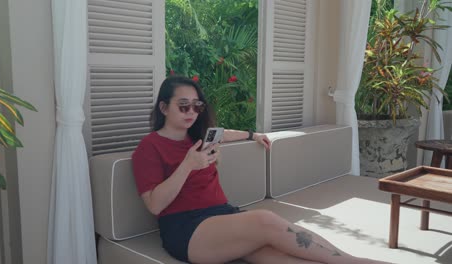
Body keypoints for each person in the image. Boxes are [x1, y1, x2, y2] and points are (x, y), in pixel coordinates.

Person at [132, 76, 390, 264]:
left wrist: (253, 134)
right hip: (186, 229)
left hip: (222, 215)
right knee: (265, 220)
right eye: (183, 106)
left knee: (279, 255)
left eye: (197, 106)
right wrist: (188, 165)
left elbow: (226, 134)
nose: (192, 112)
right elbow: (155, 205)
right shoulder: (149, 147)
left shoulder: (199, 137)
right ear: (164, 108)